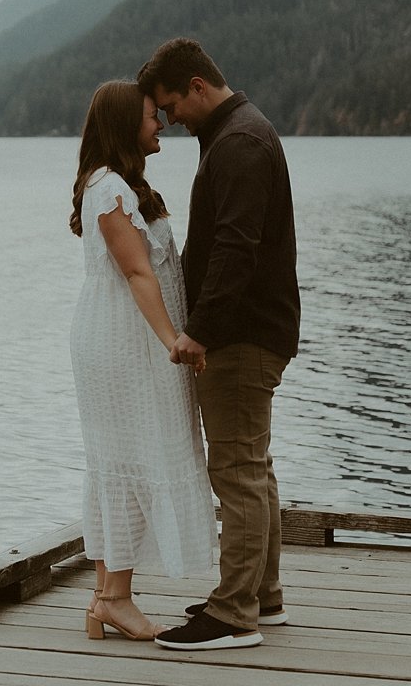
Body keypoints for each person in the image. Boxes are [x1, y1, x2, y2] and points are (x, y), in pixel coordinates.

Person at [137, 38, 301, 651]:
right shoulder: (240, 134)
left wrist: (198, 331)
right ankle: (263, 594)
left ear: (199, 85)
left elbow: (236, 248)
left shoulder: (238, 144)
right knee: (253, 466)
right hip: (256, 329)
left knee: (235, 470)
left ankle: (234, 614)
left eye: (172, 104)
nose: (170, 118)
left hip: (240, 336)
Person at [69, 79, 217, 642]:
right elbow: (137, 272)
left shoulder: (121, 184)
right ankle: (115, 598)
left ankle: (107, 597)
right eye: (152, 116)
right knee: (127, 460)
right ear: (124, 124)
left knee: (121, 462)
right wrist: (172, 341)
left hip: (130, 338)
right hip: (125, 343)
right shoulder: (108, 189)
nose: (161, 125)